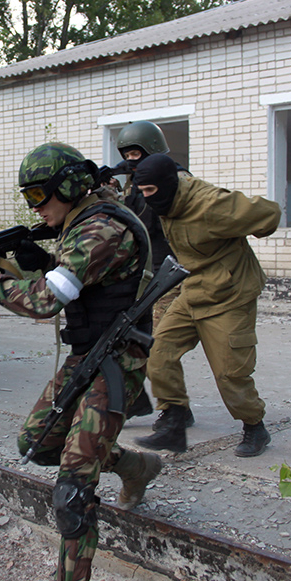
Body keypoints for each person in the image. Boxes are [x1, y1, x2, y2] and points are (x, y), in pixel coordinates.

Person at [0, 142, 161, 581]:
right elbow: (72, 281)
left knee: (72, 495)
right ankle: (133, 465)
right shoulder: (84, 221)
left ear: (72, 186)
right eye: (28, 199)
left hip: (117, 361)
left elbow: (42, 301)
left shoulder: (101, 229)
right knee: (35, 444)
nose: (35, 208)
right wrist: (42, 263)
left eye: (40, 196)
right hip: (87, 354)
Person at [132, 154, 280, 456]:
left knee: (230, 374)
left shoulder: (211, 205)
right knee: (158, 352)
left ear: (166, 185)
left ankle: (255, 427)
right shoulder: (166, 199)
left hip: (231, 292)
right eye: (142, 190)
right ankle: (175, 417)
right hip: (195, 288)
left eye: (149, 191)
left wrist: (252, 229)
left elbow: (270, 213)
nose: (145, 198)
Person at [115, 121, 194, 430]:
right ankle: (136, 401)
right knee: (126, 338)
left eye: (137, 153)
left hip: (171, 273)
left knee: (159, 346)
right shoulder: (133, 182)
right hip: (142, 274)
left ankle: (176, 410)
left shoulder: (177, 179)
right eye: (127, 155)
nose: (132, 160)